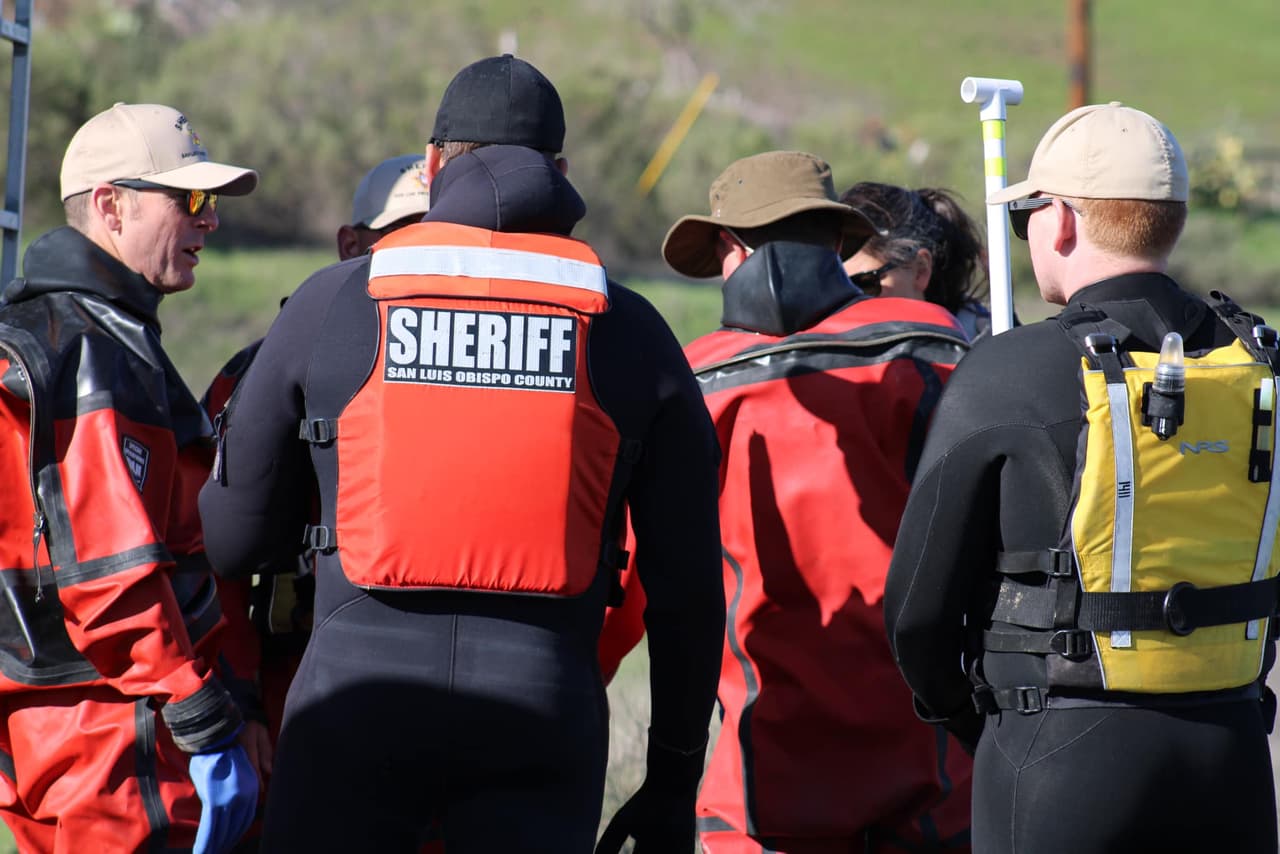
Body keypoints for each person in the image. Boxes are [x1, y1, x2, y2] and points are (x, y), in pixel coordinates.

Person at [198, 54, 724, 854]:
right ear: (562, 172)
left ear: (436, 164)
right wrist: (674, 776)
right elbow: (687, 591)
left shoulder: (330, 303)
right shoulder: (635, 330)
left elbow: (234, 540)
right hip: (543, 711)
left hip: (353, 699)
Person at [884, 102, 1280, 853]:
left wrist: (982, 723)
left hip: (1056, 761)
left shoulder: (1008, 372)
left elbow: (917, 615)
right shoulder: (1259, 361)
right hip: (1231, 758)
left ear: (1060, 220)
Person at [659, 149, 974, 853]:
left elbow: (635, 590)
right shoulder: (932, 351)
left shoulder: (695, 382)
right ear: (838, 242)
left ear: (726, 248)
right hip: (932, 783)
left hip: (759, 791)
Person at [0, 103, 259, 853]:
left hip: (52, 729)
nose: (210, 223)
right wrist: (202, 713)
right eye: (193, 201)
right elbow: (111, 575)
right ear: (112, 205)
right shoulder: (89, 351)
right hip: (111, 733)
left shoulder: (49, 334)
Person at [200, 152, 434, 851]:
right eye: (405, 234)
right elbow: (214, 556)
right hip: (294, 683)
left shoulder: (480, 381)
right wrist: (240, 699)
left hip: (447, 693)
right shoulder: (260, 376)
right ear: (350, 245)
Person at [839, 182, 994, 340]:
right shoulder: (824, 355)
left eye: (865, 283)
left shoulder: (994, 351)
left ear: (920, 270)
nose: (846, 303)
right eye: (834, 285)